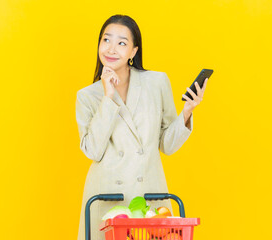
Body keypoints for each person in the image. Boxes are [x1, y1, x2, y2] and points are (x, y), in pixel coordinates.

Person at [75, 14, 208, 240]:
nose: (111, 49)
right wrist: (108, 97)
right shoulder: (87, 96)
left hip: (149, 193)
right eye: (106, 40)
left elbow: (167, 144)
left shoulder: (156, 83)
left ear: (133, 52)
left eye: (122, 43)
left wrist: (187, 112)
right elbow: (93, 151)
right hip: (107, 198)